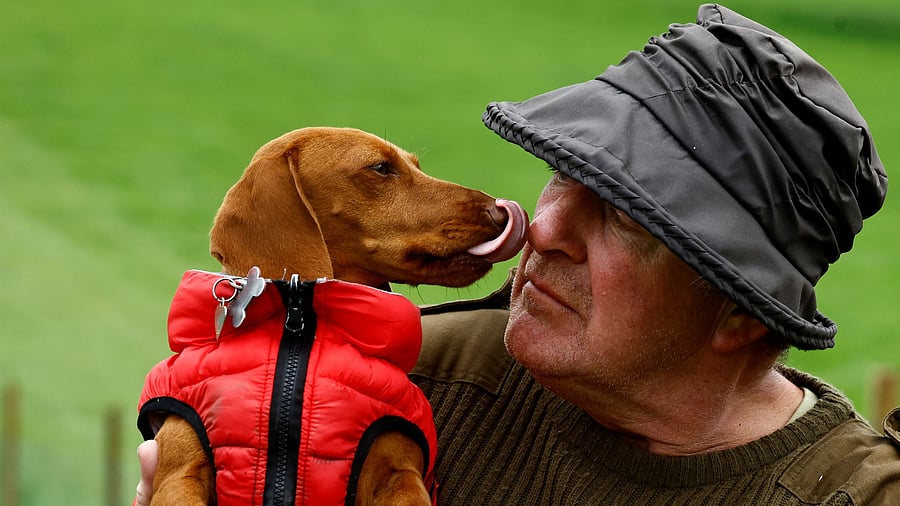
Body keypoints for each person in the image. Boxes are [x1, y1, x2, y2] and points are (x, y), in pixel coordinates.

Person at [137, 4, 900, 504]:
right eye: (562, 177)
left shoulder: (852, 494)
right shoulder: (400, 375)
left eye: (625, 219)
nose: (544, 229)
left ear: (737, 311)